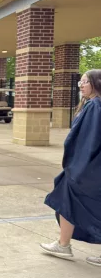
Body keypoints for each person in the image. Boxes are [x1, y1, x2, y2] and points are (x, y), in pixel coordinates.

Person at [41, 69, 101, 267]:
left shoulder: (94, 106)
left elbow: (87, 141)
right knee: (70, 200)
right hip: (89, 167)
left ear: (96, 83)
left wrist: (76, 167)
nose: (81, 86)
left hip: (87, 168)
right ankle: (63, 244)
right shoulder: (93, 105)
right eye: (80, 82)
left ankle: (63, 244)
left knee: (70, 198)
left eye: (85, 82)